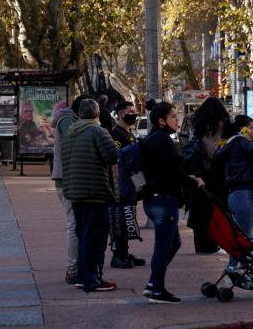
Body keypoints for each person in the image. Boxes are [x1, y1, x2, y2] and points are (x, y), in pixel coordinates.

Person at [141, 101, 204, 304]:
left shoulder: (153, 139)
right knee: (163, 246)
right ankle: (156, 288)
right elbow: (172, 172)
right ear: (162, 121)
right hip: (164, 201)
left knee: (173, 242)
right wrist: (193, 182)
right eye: (174, 117)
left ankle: (154, 283)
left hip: (153, 200)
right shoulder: (163, 141)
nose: (177, 120)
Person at [61, 98, 119, 293]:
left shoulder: (70, 134)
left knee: (83, 234)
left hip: (75, 193)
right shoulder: (97, 131)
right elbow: (112, 156)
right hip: (96, 192)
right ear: (97, 114)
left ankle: (83, 275)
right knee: (95, 237)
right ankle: (93, 279)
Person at [214, 114, 253, 274]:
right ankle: (234, 267)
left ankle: (244, 263)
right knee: (244, 236)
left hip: (234, 194)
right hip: (244, 195)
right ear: (243, 128)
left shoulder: (226, 144)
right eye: (251, 127)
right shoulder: (240, 141)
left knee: (241, 235)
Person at [183, 97, 232, 254]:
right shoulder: (224, 123)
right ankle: (215, 240)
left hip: (200, 169)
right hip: (219, 167)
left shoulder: (197, 122)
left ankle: (201, 244)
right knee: (219, 207)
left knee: (200, 207)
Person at [108, 100, 146, 269]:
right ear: (122, 114)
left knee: (127, 217)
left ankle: (125, 252)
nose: (134, 113)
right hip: (121, 185)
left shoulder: (129, 133)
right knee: (119, 219)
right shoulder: (116, 134)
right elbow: (115, 161)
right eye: (131, 111)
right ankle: (118, 254)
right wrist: (117, 185)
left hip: (130, 184)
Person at [51, 97, 81, 285]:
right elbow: (75, 143)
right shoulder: (67, 121)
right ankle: (73, 268)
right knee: (74, 223)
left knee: (77, 223)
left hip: (71, 180)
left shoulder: (70, 120)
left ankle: (77, 266)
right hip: (67, 180)